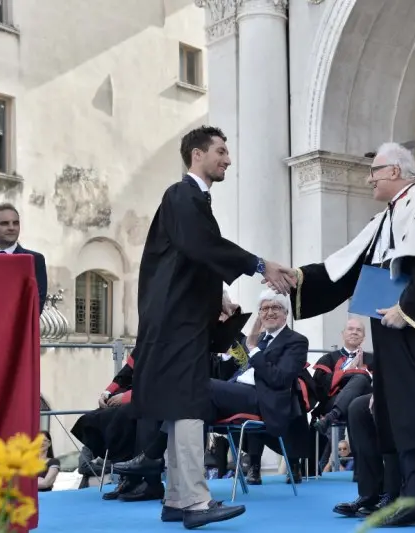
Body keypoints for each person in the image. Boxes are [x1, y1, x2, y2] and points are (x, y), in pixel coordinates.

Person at [287, 142, 415, 529]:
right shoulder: (387, 216)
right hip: (393, 334)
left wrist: (408, 308)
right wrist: (297, 278)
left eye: (375, 172)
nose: (369, 179)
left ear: (395, 171)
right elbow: (346, 266)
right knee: (403, 415)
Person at [131, 125, 295, 529]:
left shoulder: (189, 200)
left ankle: (175, 499)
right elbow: (201, 247)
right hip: (178, 323)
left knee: (177, 407)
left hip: (176, 321)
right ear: (196, 155)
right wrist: (261, 265)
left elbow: (188, 259)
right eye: (220, 151)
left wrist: (216, 297)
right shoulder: (182, 194)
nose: (228, 159)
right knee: (188, 405)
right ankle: (195, 502)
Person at [208, 289, 310, 485]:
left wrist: (253, 349)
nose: (269, 312)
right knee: (196, 403)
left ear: (286, 313)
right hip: (241, 392)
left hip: (265, 399)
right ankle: (188, 475)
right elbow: (239, 370)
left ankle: (154, 456)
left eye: (275, 307)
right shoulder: (257, 340)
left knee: (202, 386)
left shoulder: (296, 340)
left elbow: (279, 379)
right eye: (264, 309)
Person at [0, 203, 48, 314]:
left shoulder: (34, 259)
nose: (12, 228)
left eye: (15, 223)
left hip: (19, 327)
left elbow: (37, 303)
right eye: (4, 224)